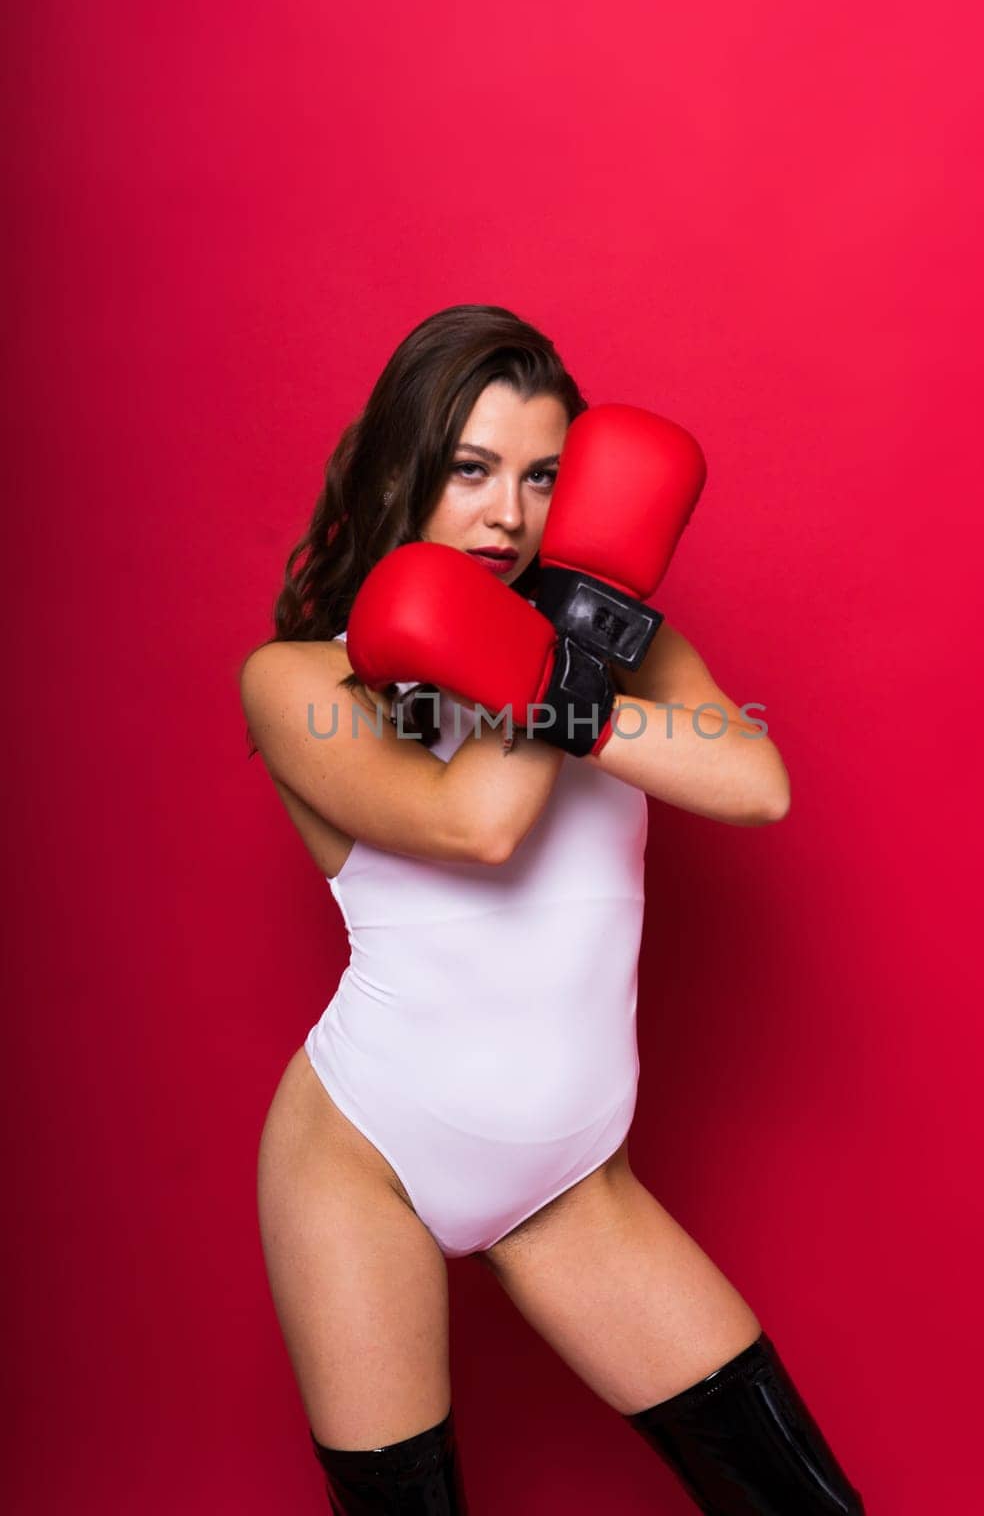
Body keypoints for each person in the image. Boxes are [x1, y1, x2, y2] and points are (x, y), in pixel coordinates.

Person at [238, 304, 867, 1513]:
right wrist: (573, 657)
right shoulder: (303, 681)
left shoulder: (615, 634)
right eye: (470, 470)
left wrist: (575, 647)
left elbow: (754, 781)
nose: (508, 515)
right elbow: (475, 823)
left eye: (542, 477)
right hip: (359, 1153)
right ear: (402, 469)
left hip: (570, 1184)